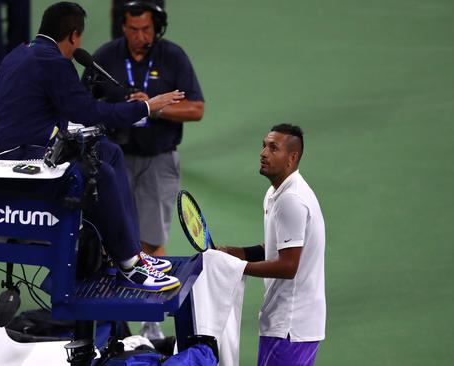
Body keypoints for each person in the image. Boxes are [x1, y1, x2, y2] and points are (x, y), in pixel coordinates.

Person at [0, 2, 185, 292]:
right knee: (97, 172)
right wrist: (145, 107)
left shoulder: (19, 53)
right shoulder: (54, 62)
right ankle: (129, 264)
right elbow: (87, 112)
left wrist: (38, 117)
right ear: (74, 36)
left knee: (109, 152)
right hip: (19, 159)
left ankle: (130, 248)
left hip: (21, 146)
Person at [83, 0, 204, 258]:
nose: (141, 36)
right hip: (115, 160)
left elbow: (196, 109)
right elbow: (83, 107)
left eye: (147, 29)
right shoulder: (105, 57)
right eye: (134, 29)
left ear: (156, 27)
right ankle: (110, 297)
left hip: (158, 162)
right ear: (123, 27)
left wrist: (153, 108)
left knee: (150, 243)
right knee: (110, 239)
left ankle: (149, 296)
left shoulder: (173, 57)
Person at [219, 124, 326, 366]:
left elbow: (288, 266)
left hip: (291, 325)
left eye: (273, 148)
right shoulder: (275, 192)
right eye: (264, 145)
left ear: (292, 158)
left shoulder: (292, 200)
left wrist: (236, 267)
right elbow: (274, 248)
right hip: (291, 324)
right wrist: (234, 253)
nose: (263, 153)